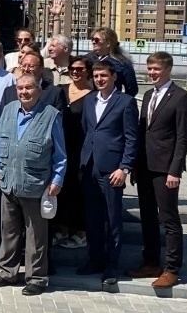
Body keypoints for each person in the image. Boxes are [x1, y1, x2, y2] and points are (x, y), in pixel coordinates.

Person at [0, 74, 66, 297]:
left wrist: (57, 180)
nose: (24, 92)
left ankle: (37, 278)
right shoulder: (9, 109)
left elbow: (60, 154)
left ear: (38, 90)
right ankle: (7, 272)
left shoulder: (51, 115)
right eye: (20, 88)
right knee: (9, 231)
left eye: (28, 88)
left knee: (36, 236)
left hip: (36, 184)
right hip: (8, 181)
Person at [127, 51, 187, 289]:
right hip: (145, 167)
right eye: (150, 69)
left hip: (166, 170)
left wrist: (175, 170)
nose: (152, 73)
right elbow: (142, 131)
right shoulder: (147, 95)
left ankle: (172, 269)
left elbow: (182, 138)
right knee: (147, 217)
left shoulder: (181, 97)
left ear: (168, 70)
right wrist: (135, 165)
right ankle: (151, 262)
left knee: (169, 219)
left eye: (156, 69)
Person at [78, 59, 139, 285]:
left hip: (112, 170)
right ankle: (95, 259)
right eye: (96, 76)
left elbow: (132, 138)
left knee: (112, 219)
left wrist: (124, 168)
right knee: (93, 219)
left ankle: (112, 266)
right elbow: (87, 131)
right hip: (89, 168)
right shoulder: (88, 100)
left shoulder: (125, 102)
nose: (99, 80)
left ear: (114, 77)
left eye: (104, 76)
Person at [55, 55, 93, 250]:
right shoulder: (60, 91)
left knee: (78, 189)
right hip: (61, 146)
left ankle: (80, 231)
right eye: (73, 69)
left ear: (88, 71)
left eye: (80, 69)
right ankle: (61, 228)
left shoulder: (92, 95)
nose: (76, 72)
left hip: (80, 148)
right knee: (62, 187)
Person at [87, 27, 138, 96]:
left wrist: (121, 103)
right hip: (89, 102)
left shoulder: (122, 63)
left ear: (108, 43)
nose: (93, 42)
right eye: (92, 39)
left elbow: (132, 89)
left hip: (112, 103)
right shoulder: (87, 59)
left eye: (96, 40)